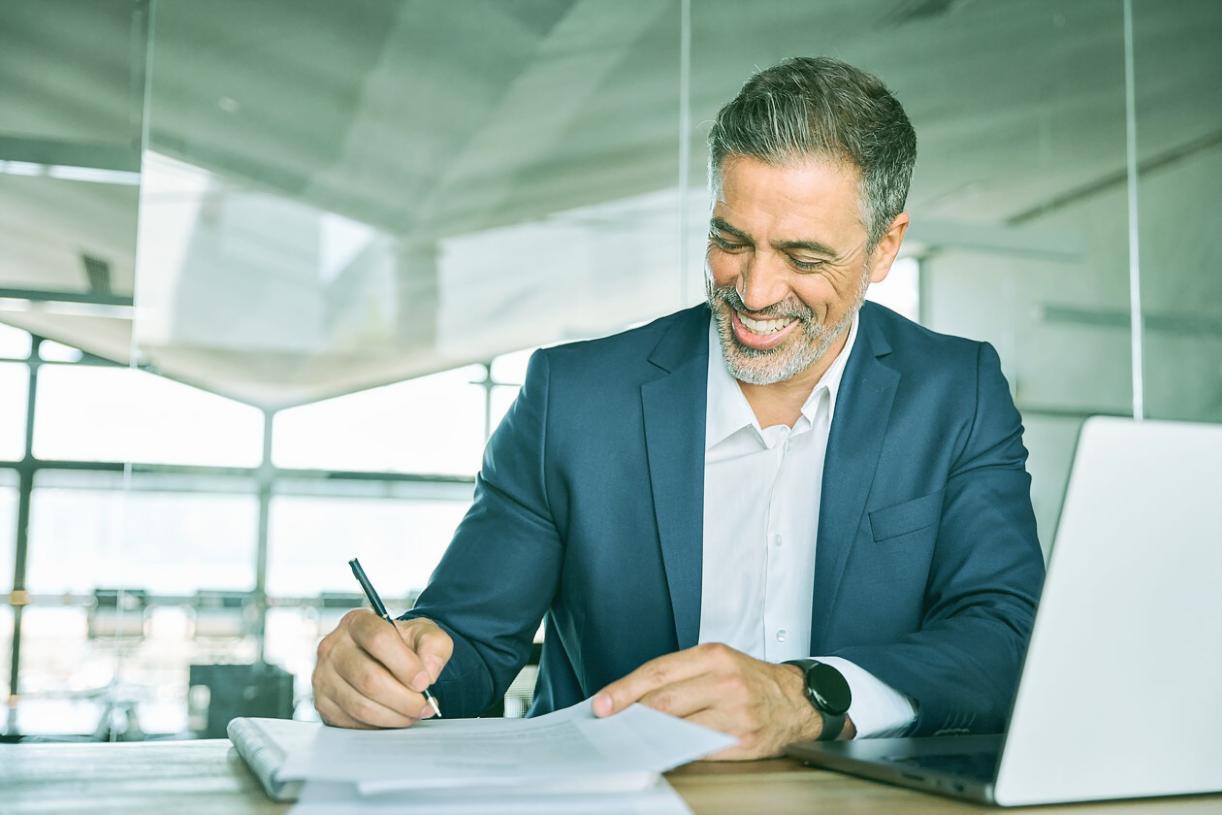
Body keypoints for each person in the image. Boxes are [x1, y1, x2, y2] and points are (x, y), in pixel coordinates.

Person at [311, 56, 1045, 760]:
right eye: (731, 240)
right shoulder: (571, 399)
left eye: (803, 257)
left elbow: (1003, 636)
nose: (754, 292)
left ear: (885, 247)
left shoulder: (958, 391)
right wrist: (387, 674)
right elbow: (465, 645)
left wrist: (807, 696)